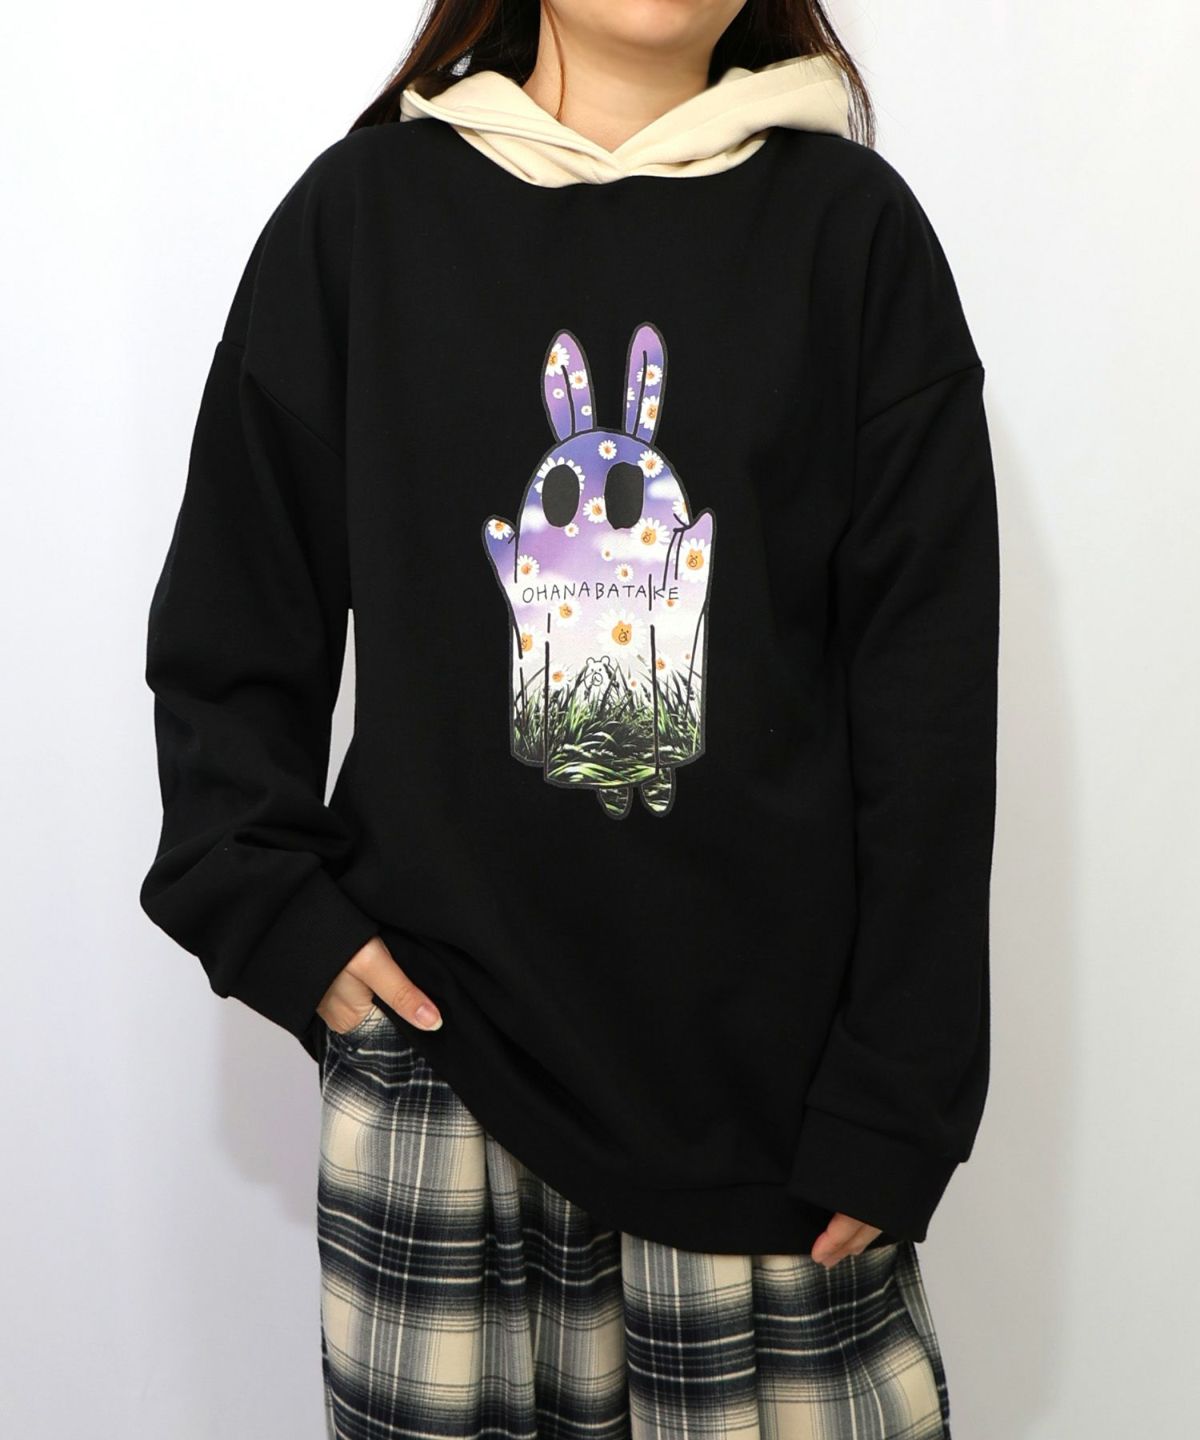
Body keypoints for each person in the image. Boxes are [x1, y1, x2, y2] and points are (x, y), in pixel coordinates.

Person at [139, 1, 999, 1435]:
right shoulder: (359, 225)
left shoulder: (854, 241)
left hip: (771, 1113)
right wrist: (272, 908)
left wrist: (901, 1092)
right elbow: (233, 626)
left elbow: (929, 711)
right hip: (444, 1078)